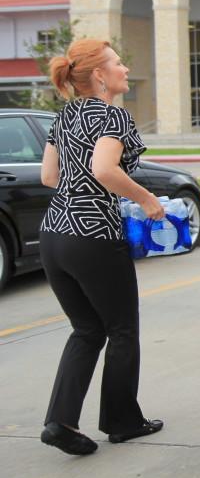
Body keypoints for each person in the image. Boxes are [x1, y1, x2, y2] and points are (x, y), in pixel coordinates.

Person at [38, 38, 165, 456]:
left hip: (54, 234)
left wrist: (80, 196)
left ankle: (60, 422)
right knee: (122, 329)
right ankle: (123, 421)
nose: (125, 69)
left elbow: (49, 177)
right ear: (99, 75)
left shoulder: (64, 116)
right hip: (94, 237)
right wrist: (147, 200)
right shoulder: (113, 116)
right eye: (117, 63)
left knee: (87, 328)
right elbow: (105, 169)